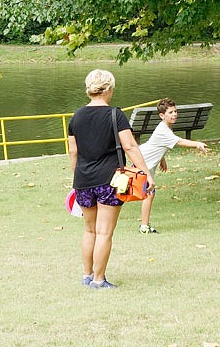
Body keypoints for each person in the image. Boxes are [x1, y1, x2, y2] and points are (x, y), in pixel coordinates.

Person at [68, 69, 155, 289]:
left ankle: (87, 275)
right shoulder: (116, 115)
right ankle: (99, 280)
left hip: (83, 180)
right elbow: (130, 146)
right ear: (108, 89)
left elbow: (73, 152)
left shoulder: (76, 116)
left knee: (89, 230)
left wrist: (76, 178)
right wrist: (145, 173)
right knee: (104, 231)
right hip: (110, 180)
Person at [138, 98, 208, 233]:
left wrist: (162, 159)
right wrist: (197, 144)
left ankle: (145, 226)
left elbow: (158, 143)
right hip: (143, 161)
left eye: (175, 111)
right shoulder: (162, 129)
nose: (174, 114)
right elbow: (179, 142)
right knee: (142, 193)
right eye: (170, 112)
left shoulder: (166, 126)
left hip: (148, 163)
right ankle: (144, 227)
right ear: (162, 115)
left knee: (148, 193)